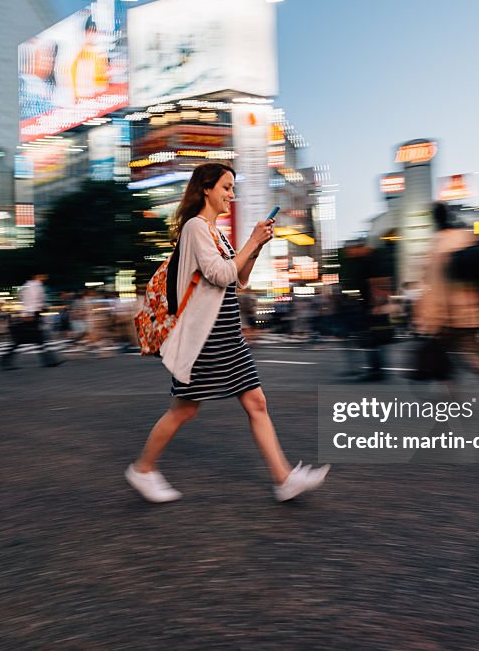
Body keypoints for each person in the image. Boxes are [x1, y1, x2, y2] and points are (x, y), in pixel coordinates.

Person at [125, 162, 330, 503]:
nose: (231, 195)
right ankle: (143, 469)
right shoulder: (194, 228)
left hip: (226, 335)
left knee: (256, 402)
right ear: (206, 189)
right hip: (204, 339)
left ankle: (284, 478)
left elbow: (238, 278)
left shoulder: (216, 232)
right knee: (185, 409)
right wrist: (250, 240)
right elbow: (220, 274)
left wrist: (257, 245)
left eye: (232, 188)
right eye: (226, 187)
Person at [414, 203, 479, 397]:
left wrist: (427, 319)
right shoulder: (467, 237)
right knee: (477, 357)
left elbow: (434, 287)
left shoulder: (437, 246)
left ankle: (454, 396)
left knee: (448, 358)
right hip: (477, 313)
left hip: (450, 317)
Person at [0, 273, 61, 369]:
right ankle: (4, 361)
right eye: (43, 275)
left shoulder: (29, 285)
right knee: (29, 340)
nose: (45, 277)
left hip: (32, 315)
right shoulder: (33, 286)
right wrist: (28, 315)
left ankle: (49, 361)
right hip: (31, 316)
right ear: (37, 275)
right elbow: (29, 302)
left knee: (37, 340)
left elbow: (27, 300)